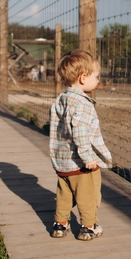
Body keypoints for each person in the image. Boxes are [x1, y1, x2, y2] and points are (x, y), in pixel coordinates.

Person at [49, 49, 112, 241]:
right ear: (83, 78)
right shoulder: (83, 104)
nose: (98, 80)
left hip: (61, 162)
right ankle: (88, 226)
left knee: (64, 194)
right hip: (81, 163)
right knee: (88, 196)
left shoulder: (60, 100)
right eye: (96, 76)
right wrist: (88, 158)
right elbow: (80, 133)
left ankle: (60, 225)